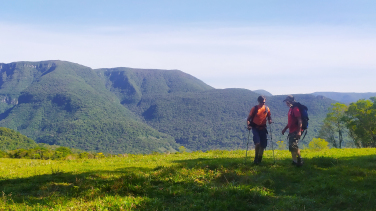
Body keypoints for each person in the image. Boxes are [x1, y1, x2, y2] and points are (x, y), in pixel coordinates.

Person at [247, 96, 272, 164]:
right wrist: (249, 125)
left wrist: (270, 120)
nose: (263, 103)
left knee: (263, 145)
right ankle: (256, 158)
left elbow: (269, 117)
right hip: (255, 128)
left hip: (263, 128)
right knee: (257, 143)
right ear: (259, 101)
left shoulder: (266, 108)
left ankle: (259, 159)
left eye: (264, 102)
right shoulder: (254, 108)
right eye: (262, 102)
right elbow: (248, 119)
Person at [282, 95, 304, 167]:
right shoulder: (291, 109)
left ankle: (300, 160)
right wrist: (285, 129)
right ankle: (294, 161)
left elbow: (299, 120)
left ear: (289, 101)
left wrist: (299, 131)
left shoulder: (295, 109)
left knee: (294, 145)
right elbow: (290, 121)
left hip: (296, 130)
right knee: (291, 147)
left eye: (286, 102)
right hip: (291, 130)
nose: (286, 103)